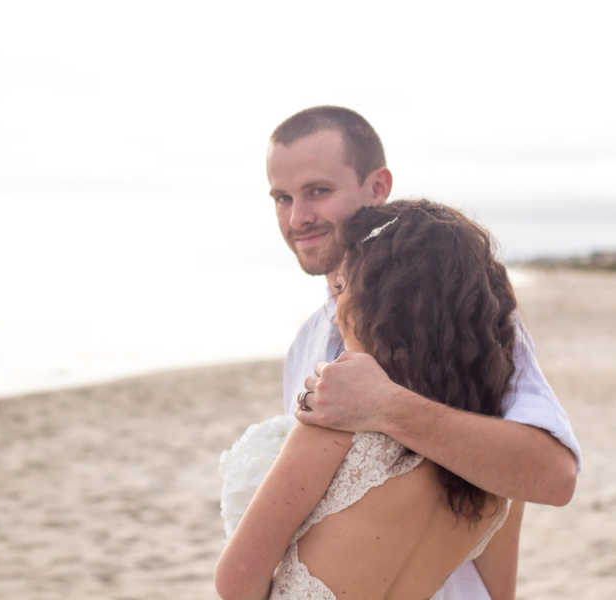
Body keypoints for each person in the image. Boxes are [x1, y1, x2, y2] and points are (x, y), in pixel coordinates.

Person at [220, 106, 581, 598]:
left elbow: (554, 477)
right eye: (282, 198)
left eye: (318, 192)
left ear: (377, 188)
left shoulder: (476, 327)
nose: (298, 217)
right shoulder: (307, 340)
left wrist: (385, 406)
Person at [216, 200, 530, 599]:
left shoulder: (340, 423)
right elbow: (499, 593)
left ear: (384, 307)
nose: (336, 311)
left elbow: (237, 576)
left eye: (343, 288)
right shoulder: (497, 465)